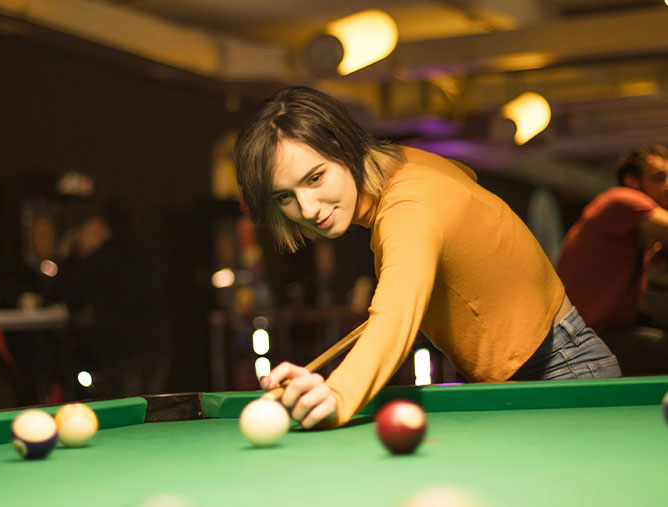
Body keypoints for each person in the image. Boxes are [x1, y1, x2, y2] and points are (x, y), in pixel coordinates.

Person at [233, 86, 621, 429]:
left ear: (343, 148)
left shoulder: (408, 207)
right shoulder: (404, 162)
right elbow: (464, 177)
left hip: (562, 370)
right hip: (521, 377)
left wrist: (337, 394)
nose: (308, 207)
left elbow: (395, 313)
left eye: (315, 178)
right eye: (285, 197)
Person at [556, 145, 668, 376]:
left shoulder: (634, 230)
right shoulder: (621, 199)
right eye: (660, 177)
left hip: (604, 333)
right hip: (584, 343)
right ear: (632, 182)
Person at [48, 201, 170, 398]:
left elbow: (70, 297)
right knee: (153, 408)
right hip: (156, 341)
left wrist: (78, 253)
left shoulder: (101, 255)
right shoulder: (146, 251)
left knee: (129, 412)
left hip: (122, 347)